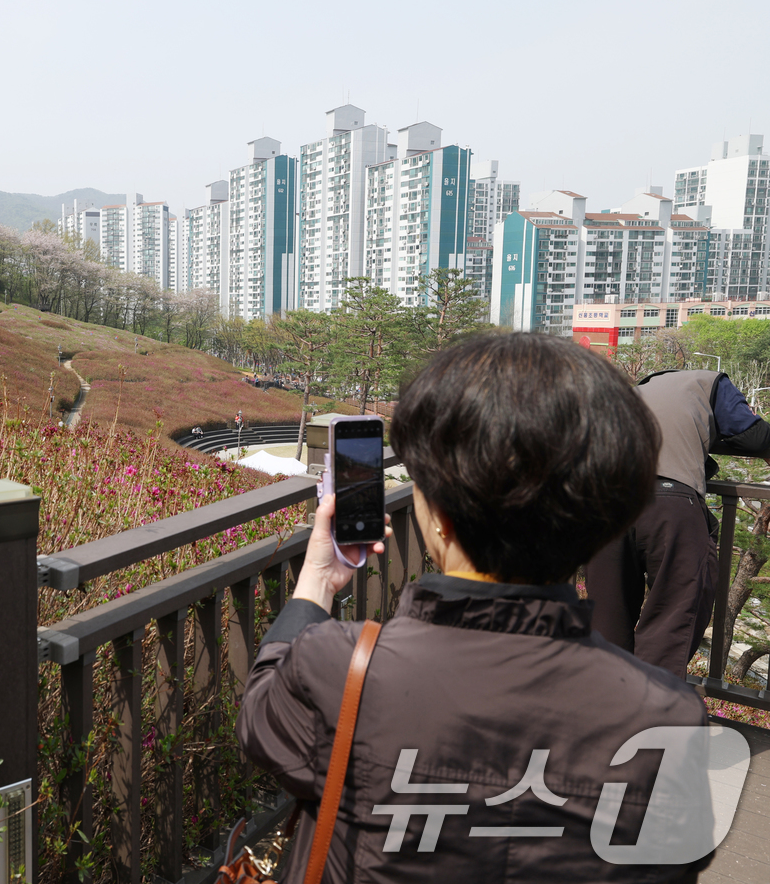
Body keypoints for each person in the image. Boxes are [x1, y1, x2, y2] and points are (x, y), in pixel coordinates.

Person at [238, 333, 712, 883]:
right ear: (607, 520)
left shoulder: (340, 672)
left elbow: (260, 720)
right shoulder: (669, 717)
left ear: (439, 514)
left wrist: (319, 577)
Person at [587, 368, 770, 678]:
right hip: (667, 502)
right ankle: (648, 703)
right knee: (673, 621)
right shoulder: (711, 381)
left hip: (604, 505)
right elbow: (754, 436)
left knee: (606, 623)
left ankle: (606, 699)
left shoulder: (634, 394)